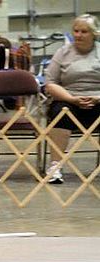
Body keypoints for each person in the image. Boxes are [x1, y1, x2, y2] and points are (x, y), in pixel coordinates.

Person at [45, 14, 100, 184]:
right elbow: (50, 83)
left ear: (94, 34)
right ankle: (55, 167)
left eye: (84, 31)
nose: (78, 35)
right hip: (68, 100)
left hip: (97, 100)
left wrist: (97, 98)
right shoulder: (63, 52)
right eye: (76, 31)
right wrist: (71, 98)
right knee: (59, 112)